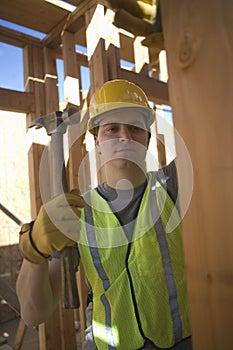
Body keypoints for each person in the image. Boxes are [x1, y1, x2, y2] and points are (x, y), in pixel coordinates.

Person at [16, 79, 192, 350]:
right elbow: (33, 314)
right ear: (97, 140)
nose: (124, 136)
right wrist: (35, 249)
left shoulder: (174, 184)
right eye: (112, 129)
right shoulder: (76, 212)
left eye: (135, 128)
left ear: (147, 138)